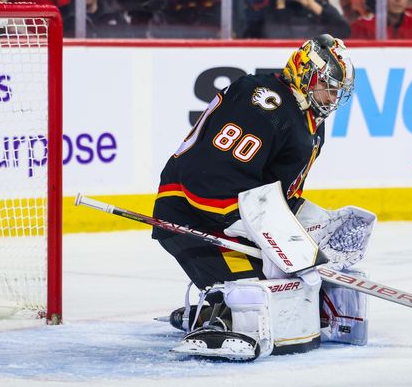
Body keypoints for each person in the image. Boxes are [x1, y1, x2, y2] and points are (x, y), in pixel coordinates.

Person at [152, 35, 371, 360]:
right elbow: (207, 176)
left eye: (339, 90)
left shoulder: (309, 120)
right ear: (304, 73)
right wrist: (245, 221)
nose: (333, 96)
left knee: (290, 281)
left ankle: (206, 307)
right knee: (253, 295)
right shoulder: (263, 102)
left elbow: (279, 192)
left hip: (233, 216)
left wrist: (314, 227)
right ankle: (215, 313)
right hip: (189, 214)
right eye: (328, 85)